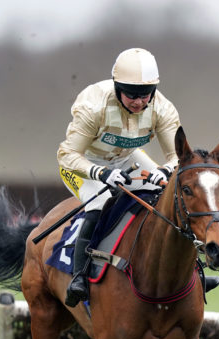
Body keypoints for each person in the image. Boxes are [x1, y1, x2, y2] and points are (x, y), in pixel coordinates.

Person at [57, 48, 181, 307]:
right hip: (84, 165)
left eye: (145, 95)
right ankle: (79, 276)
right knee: (98, 204)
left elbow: (179, 156)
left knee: (169, 192)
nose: (139, 102)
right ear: (116, 88)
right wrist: (100, 173)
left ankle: (190, 271)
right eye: (131, 95)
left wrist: (164, 171)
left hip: (126, 158)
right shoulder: (94, 106)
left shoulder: (162, 108)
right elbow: (67, 154)